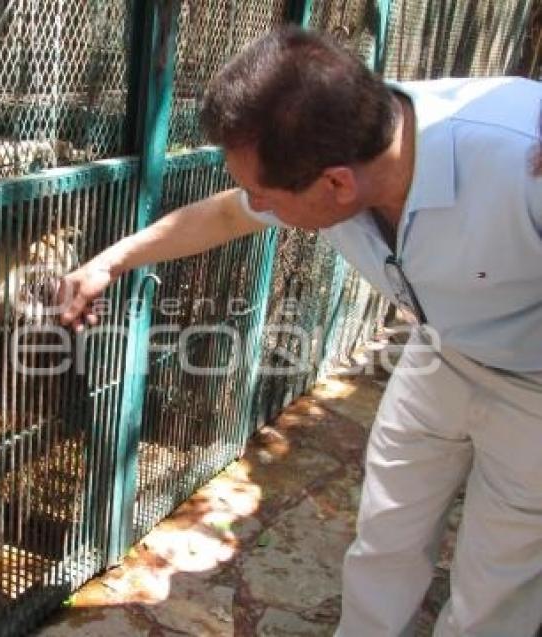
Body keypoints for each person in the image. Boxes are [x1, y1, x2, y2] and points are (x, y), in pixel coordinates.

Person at [58, 26, 542, 637]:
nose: (259, 205)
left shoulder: (519, 158)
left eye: (267, 194)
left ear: (337, 183)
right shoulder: (344, 138)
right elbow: (227, 214)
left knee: (498, 580)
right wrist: (110, 262)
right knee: (386, 530)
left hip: (534, 384)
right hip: (438, 352)